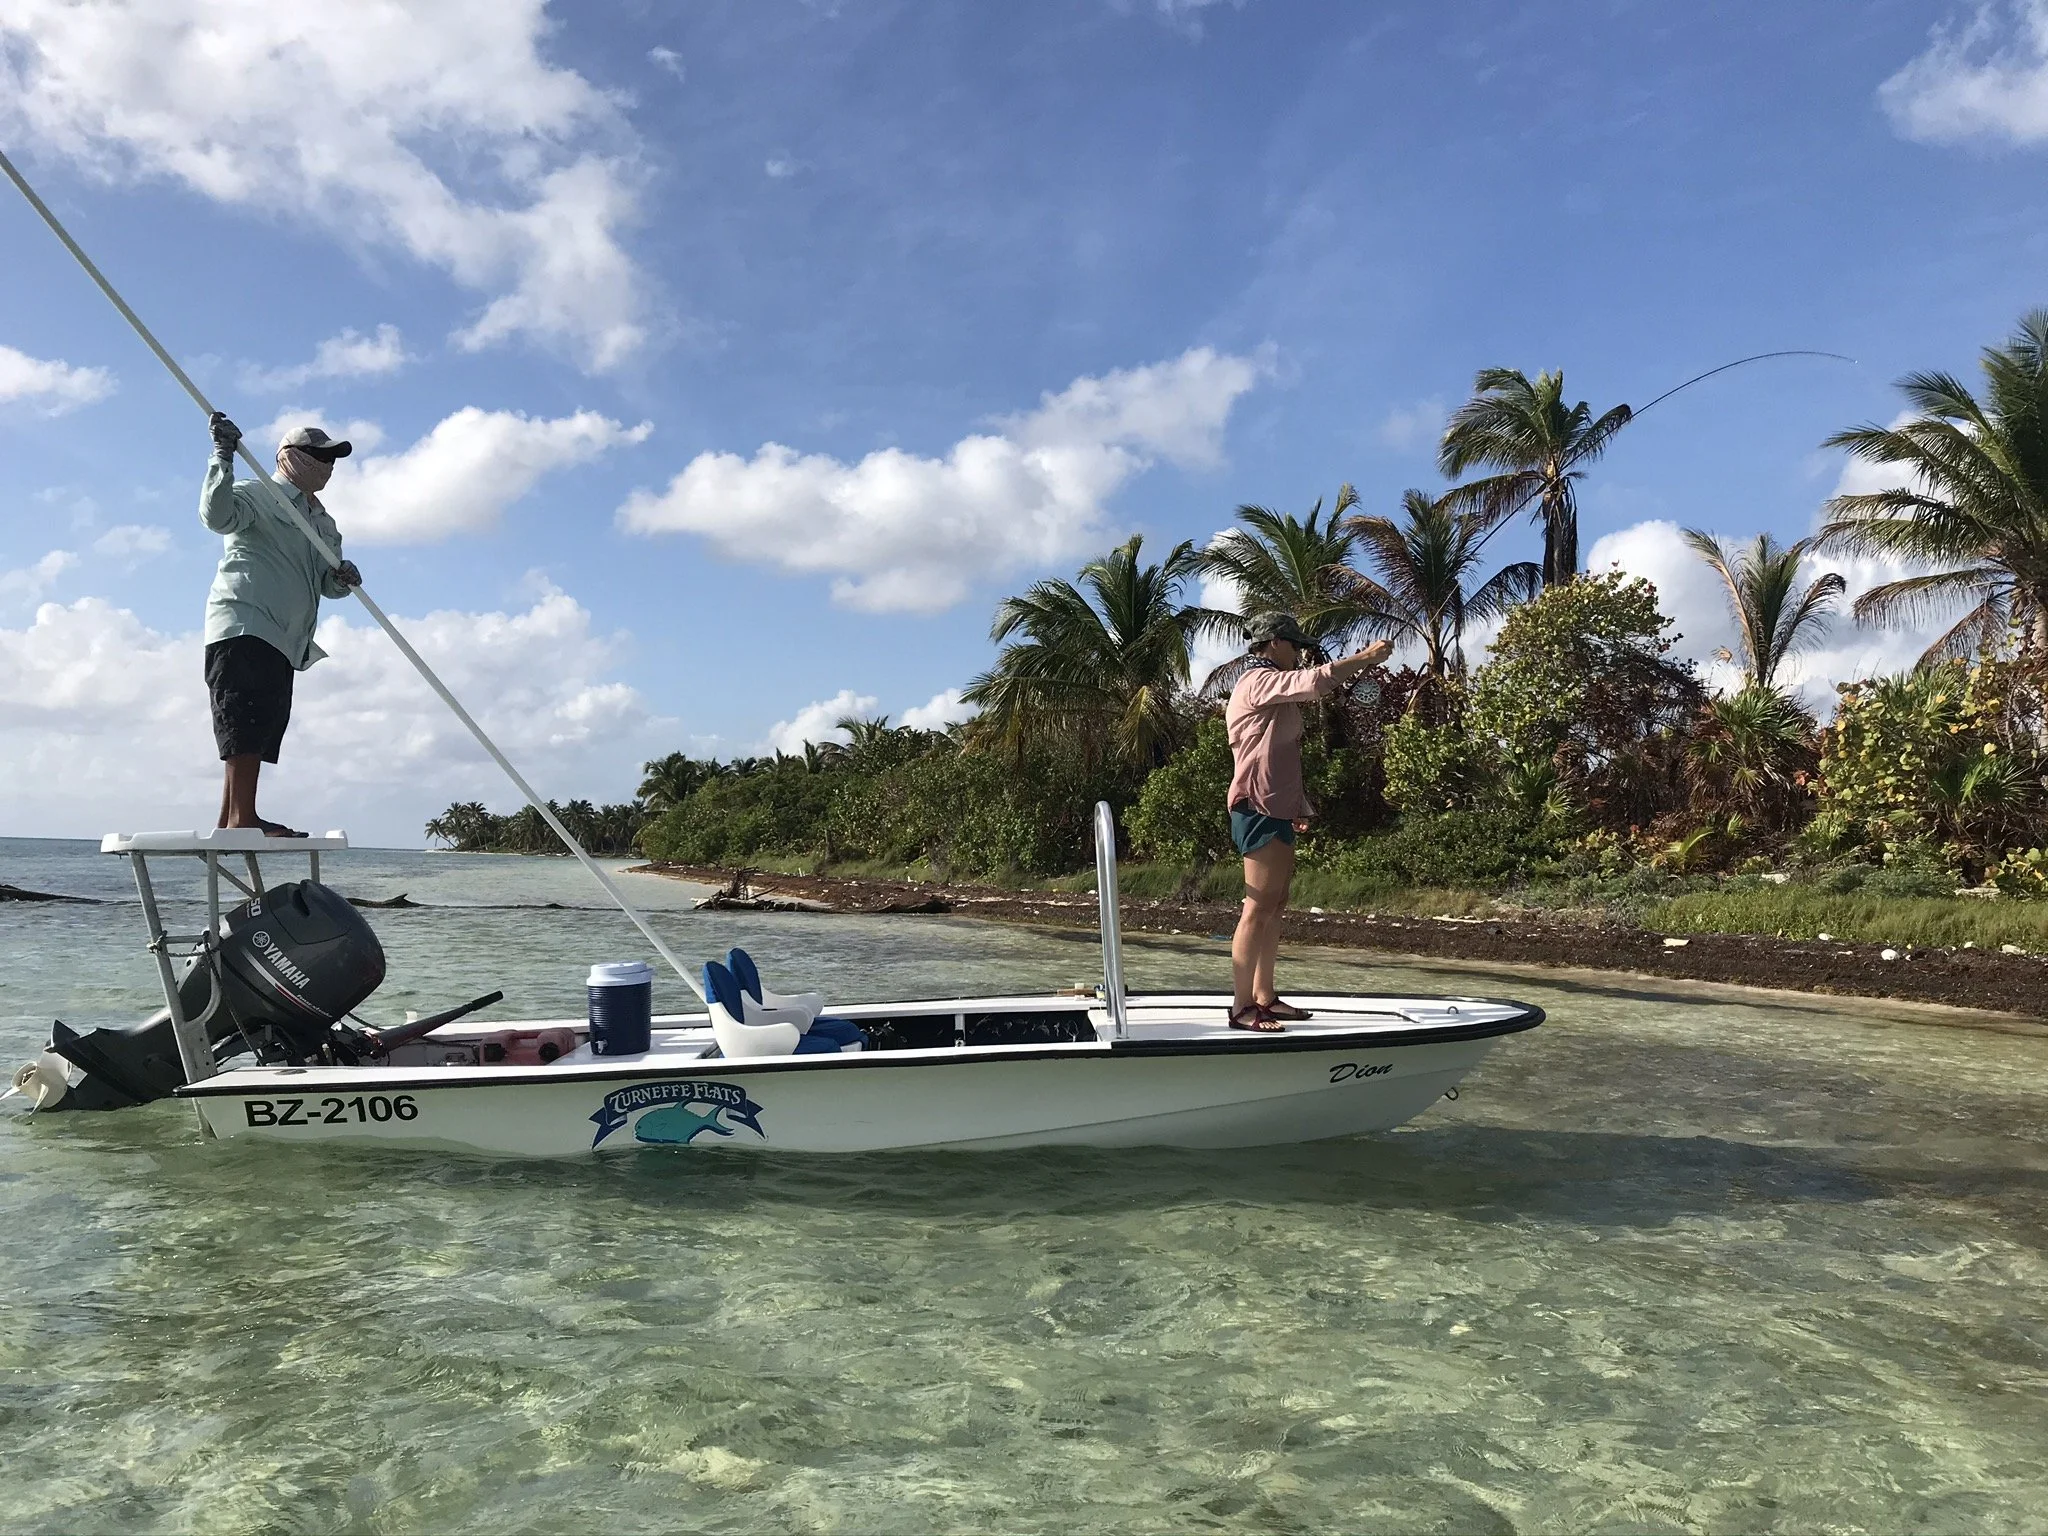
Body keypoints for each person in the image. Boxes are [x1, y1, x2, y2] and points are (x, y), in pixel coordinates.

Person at [1224, 612, 1392, 1031]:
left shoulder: (1270, 687)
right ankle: (1242, 1007)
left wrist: (1298, 805)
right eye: (1295, 645)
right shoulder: (1257, 680)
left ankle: (1265, 996)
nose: (1299, 652)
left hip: (1276, 806)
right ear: (1275, 643)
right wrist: (1365, 658)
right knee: (1257, 908)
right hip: (1257, 806)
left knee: (1274, 904)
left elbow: (1281, 755)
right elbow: (1315, 682)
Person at [199, 413, 361, 837]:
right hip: (245, 620)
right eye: (318, 455)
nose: (326, 464)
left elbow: (326, 585)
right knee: (243, 718)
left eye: (331, 458)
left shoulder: (324, 523)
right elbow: (217, 518)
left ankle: (230, 819)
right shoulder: (258, 493)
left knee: (260, 724)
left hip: (286, 639)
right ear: (289, 456)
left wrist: (343, 577)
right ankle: (244, 819)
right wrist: (223, 456)